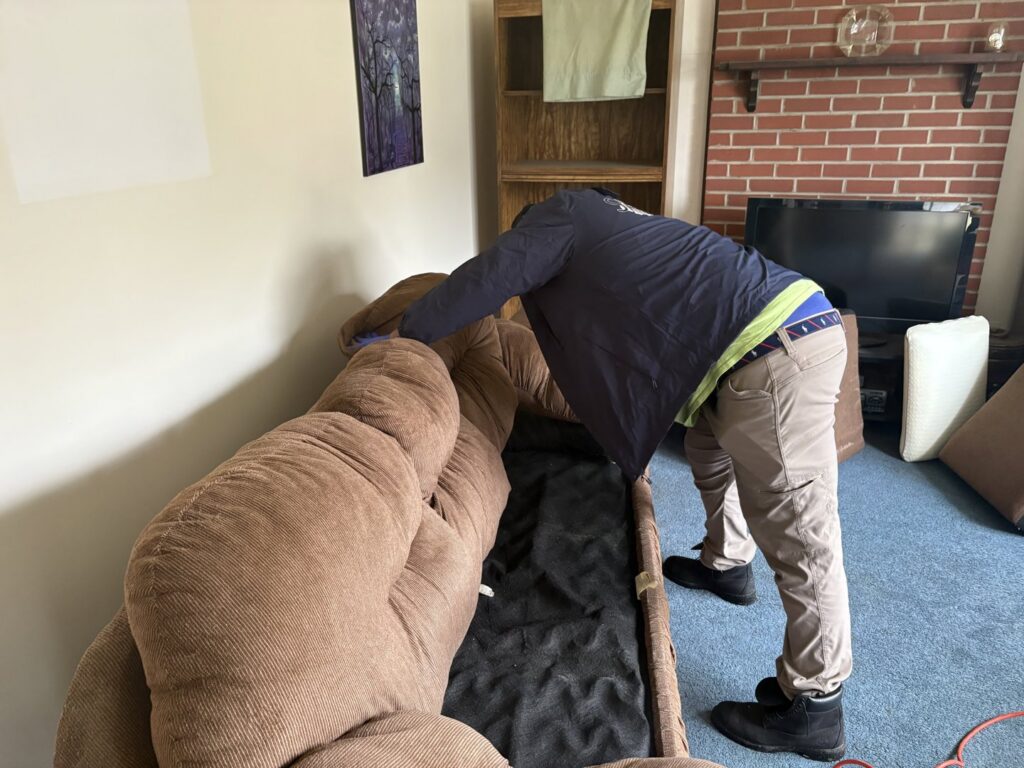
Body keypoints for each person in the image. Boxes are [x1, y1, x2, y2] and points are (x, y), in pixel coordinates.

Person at [394, 188, 852, 762]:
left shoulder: (555, 219)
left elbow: (489, 277)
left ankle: (816, 703)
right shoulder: (604, 217)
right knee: (709, 448)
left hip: (775, 352)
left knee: (800, 532)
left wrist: (404, 332)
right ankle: (727, 563)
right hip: (764, 338)